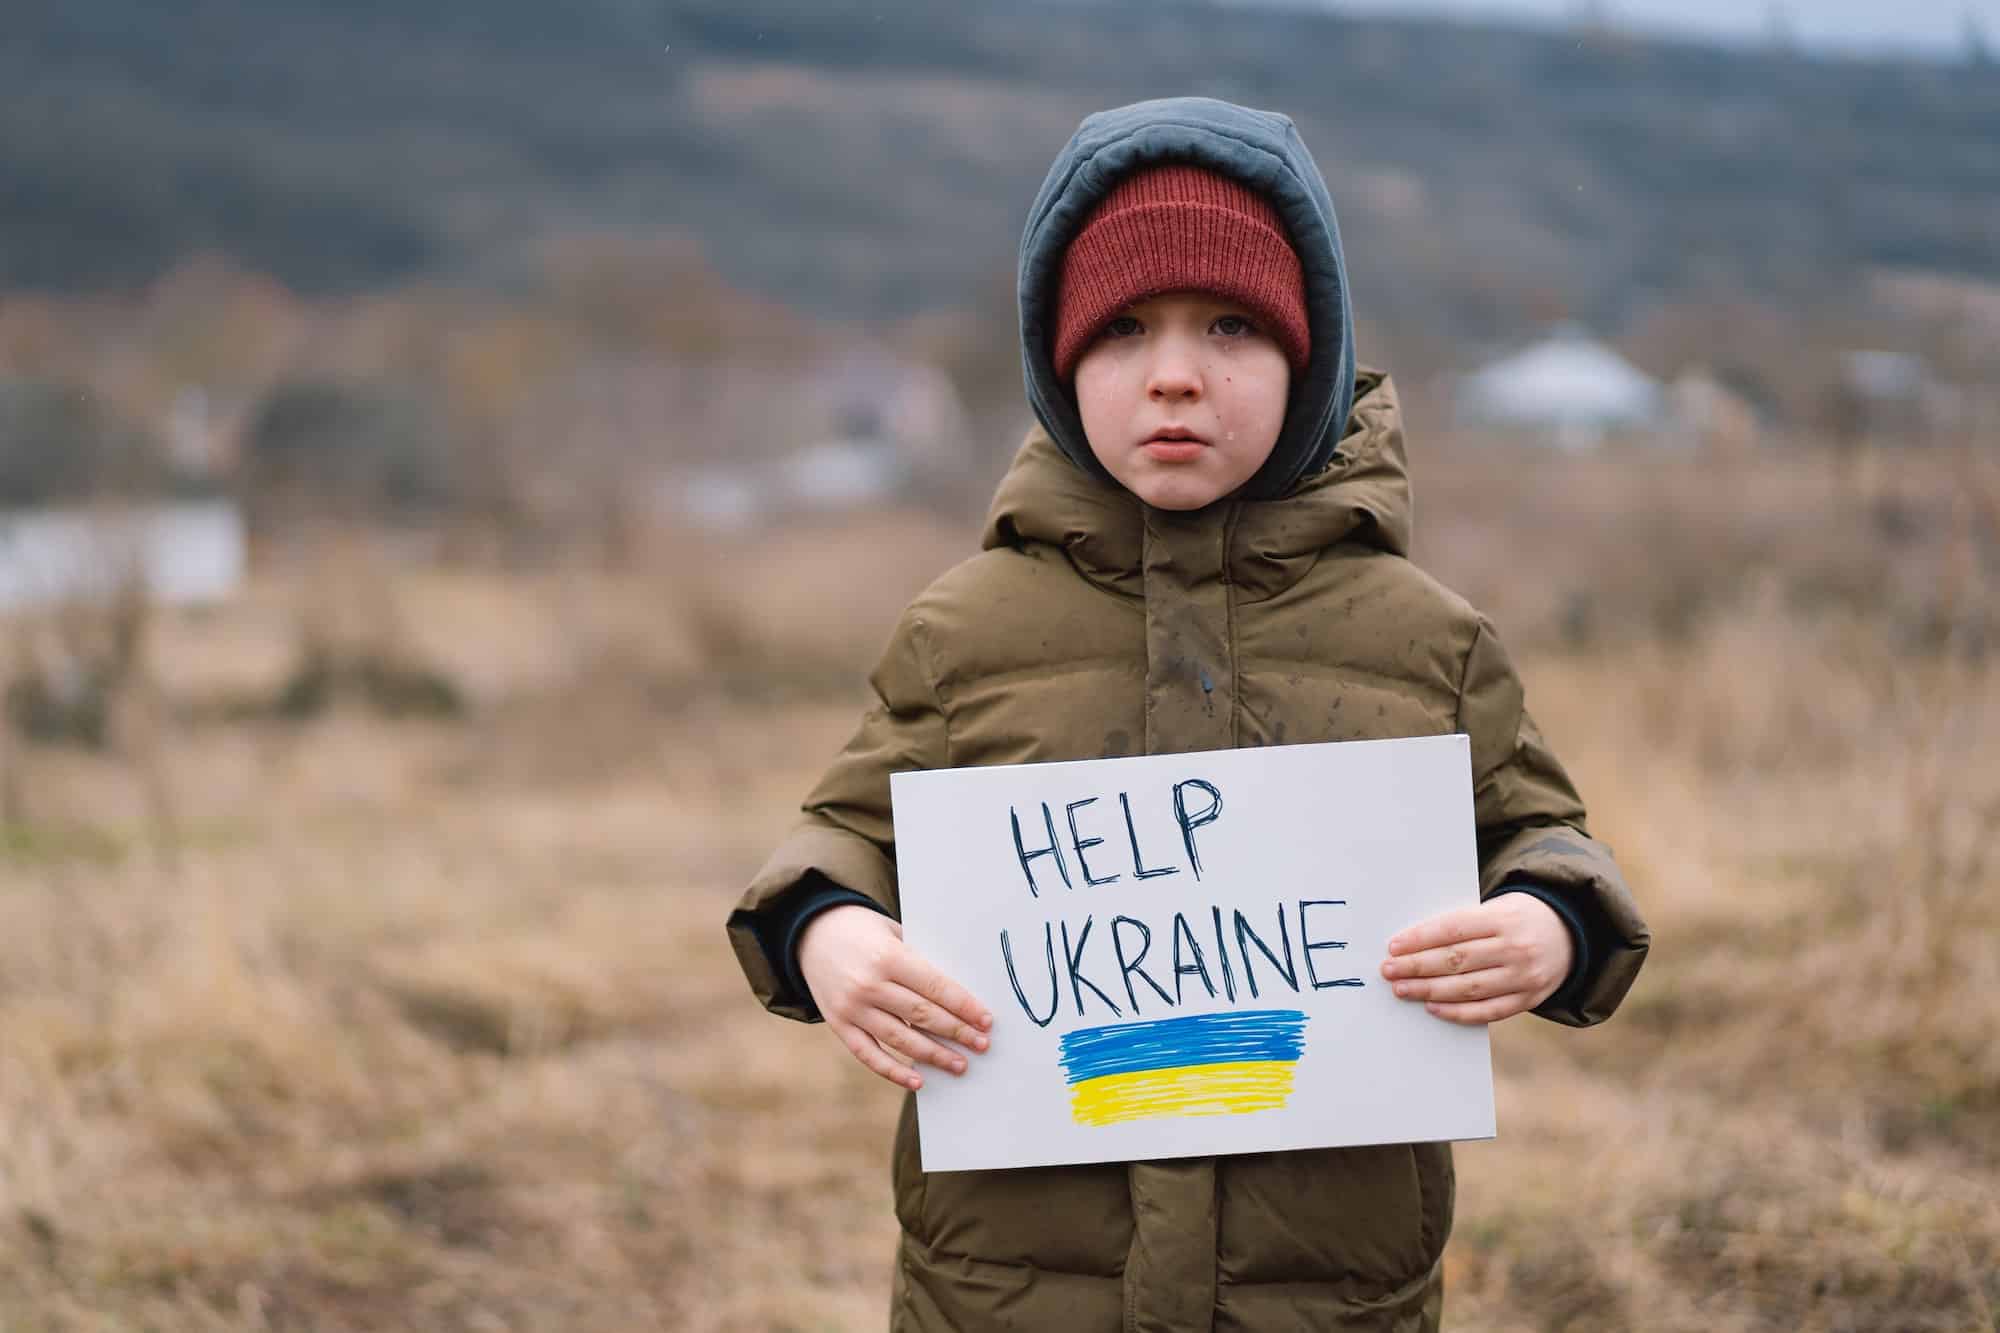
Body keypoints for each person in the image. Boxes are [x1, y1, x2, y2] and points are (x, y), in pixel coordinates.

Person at [725, 96, 1649, 1332]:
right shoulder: (962, 633)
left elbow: (1543, 834)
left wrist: (1548, 922)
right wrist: (827, 935)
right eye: (1120, 329)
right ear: (1058, 368)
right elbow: (838, 834)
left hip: (1327, 1294)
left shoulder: (1427, 638)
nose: (1172, 371)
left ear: (1306, 359)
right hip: (1008, 1292)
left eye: (1228, 325)